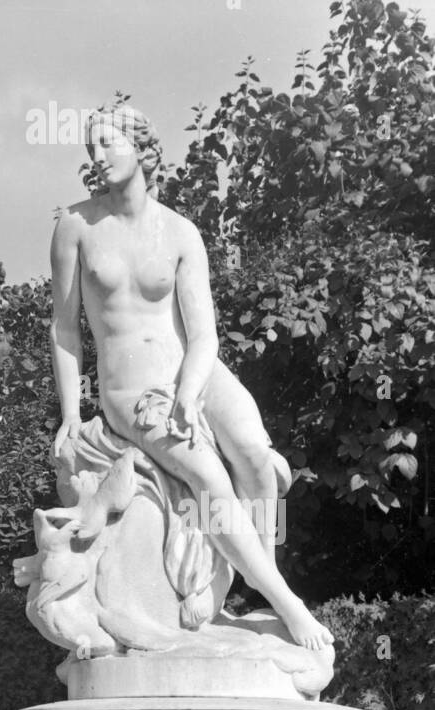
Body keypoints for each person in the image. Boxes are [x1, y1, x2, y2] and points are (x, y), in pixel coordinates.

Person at [50, 105, 333, 649]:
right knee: (211, 480)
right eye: (92, 148)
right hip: (133, 390)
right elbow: (65, 330)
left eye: (108, 143)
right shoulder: (76, 227)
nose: (98, 156)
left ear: (141, 147)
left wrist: (189, 390)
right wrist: (69, 413)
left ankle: (256, 578)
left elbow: (204, 335)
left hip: (195, 369)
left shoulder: (181, 233)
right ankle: (288, 605)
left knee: (254, 453)